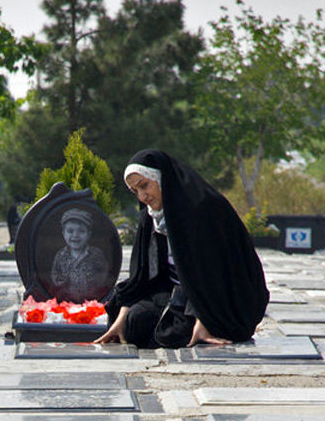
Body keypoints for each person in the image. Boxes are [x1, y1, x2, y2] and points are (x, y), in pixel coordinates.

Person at [95, 149, 269, 348]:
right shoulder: (151, 216)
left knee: (174, 333)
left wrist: (204, 320)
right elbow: (140, 278)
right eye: (136, 191)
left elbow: (215, 275)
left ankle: (202, 327)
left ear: (161, 178)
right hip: (175, 290)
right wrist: (121, 322)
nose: (143, 196)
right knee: (135, 323)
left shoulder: (203, 208)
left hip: (219, 296)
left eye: (145, 186)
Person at [48, 207, 109, 302]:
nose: (75, 235)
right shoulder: (60, 256)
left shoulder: (96, 255)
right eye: (70, 231)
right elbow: (55, 277)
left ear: (88, 234)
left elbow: (104, 275)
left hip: (92, 301)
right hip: (66, 301)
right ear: (63, 233)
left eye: (81, 231)